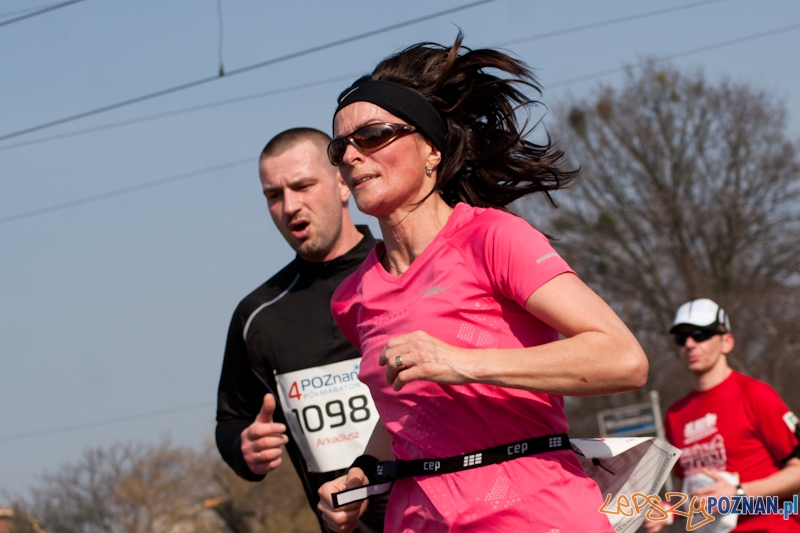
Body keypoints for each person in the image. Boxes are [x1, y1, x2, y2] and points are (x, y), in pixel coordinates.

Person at [316, 34, 649, 533]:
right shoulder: (352, 298)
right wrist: (360, 474)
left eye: (373, 136)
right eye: (339, 147)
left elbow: (622, 359)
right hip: (417, 519)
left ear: (431, 149)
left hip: (533, 514)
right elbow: (409, 411)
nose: (351, 156)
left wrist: (460, 362)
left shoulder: (491, 238)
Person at [215, 128, 385, 533]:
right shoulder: (258, 316)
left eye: (303, 186)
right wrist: (245, 447)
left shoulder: (402, 269)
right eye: (274, 195)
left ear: (343, 184)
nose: (289, 206)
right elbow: (231, 419)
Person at [644, 298, 800, 532]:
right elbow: (688, 489)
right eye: (681, 337)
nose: (689, 344)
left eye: (700, 334)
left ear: (726, 341)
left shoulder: (755, 394)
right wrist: (668, 511)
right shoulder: (676, 414)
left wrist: (740, 493)